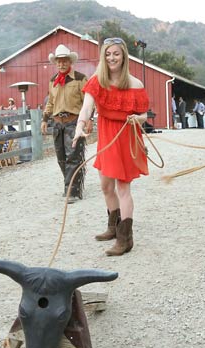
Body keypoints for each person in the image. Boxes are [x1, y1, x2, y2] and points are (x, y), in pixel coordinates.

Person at [72, 37, 150, 257]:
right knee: (106, 186)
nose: (111, 58)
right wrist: (80, 126)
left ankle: (126, 239)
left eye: (116, 53)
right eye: (107, 54)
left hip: (126, 138)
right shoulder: (97, 81)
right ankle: (113, 227)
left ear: (123, 55)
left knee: (123, 188)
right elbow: (86, 108)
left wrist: (138, 119)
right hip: (106, 138)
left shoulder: (136, 84)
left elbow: (144, 114)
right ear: (103, 57)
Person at [43, 44, 89, 204]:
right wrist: (44, 119)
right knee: (61, 158)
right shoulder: (53, 81)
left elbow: (88, 102)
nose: (61, 64)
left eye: (64, 61)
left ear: (70, 62)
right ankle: (71, 184)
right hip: (57, 123)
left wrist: (88, 121)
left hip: (74, 122)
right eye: (58, 61)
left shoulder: (80, 79)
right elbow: (51, 101)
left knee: (74, 157)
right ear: (55, 63)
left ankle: (72, 191)